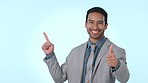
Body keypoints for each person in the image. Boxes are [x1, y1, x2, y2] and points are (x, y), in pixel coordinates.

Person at [42, 7, 130, 83]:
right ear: (86, 24)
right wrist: (50, 55)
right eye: (91, 22)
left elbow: (124, 78)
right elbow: (59, 79)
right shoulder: (75, 52)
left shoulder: (117, 51)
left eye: (99, 23)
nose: (95, 27)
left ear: (106, 26)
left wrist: (116, 65)